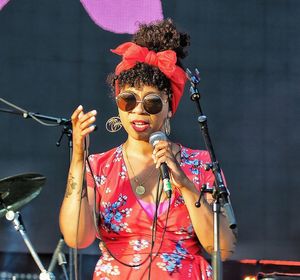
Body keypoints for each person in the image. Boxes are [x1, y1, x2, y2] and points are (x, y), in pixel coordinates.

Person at [59, 19, 237, 280]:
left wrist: (185, 183)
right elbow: (76, 238)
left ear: (169, 108)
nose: (138, 109)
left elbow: (223, 249)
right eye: (128, 99)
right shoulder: (99, 166)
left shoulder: (200, 164)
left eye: (151, 102)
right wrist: (77, 159)